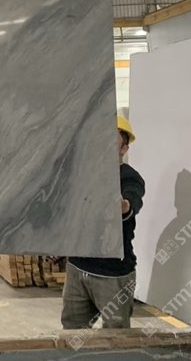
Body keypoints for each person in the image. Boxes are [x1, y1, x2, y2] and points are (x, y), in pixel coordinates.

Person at [61, 115, 145, 329]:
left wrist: (122, 205)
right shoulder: (84, 174)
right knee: (72, 329)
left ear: (124, 148)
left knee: (116, 335)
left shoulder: (128, 177)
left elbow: (132, 200)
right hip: (77, 267)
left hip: (112, 274)